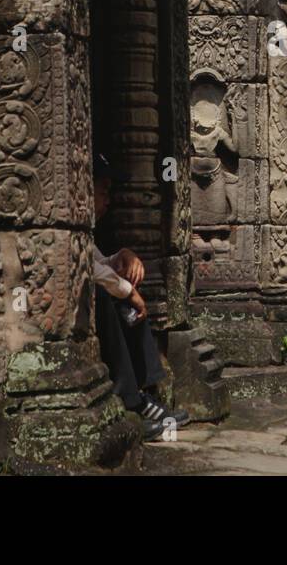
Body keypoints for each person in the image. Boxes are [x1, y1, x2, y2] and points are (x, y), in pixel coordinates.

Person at [91, 155, 189, 441]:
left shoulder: (84, 232)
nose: (108, 199)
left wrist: (122, 256)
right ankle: (131, 401)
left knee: (127, 297)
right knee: (109, 295)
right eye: (103, 190)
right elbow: (84, 267)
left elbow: (98, 261)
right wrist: (127, 290)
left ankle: (143, 393)